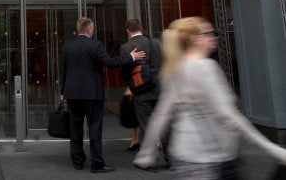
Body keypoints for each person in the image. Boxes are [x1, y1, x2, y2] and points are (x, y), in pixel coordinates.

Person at [134, 17, 286, 178]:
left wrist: (146, 152)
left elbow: (161, 115)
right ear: (196, 39)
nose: (215, 37)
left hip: (186, 157)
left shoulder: (175, 70)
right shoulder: (204, 68)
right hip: (211, 158)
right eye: (210, 33)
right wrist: (272, 149)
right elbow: (229, 115)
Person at [60, 17, 145, 173]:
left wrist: (63, 93)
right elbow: (111, 63)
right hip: (92, 94)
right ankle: (97, 164)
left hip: (72, 94)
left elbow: (64, 71)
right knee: (94, 129)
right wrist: (131, 57)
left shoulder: (67, 47)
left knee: (75, 129)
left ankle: (77, 161)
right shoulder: (95, 45)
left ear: (79, 29)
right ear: (89, 30)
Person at [119, 19, 162, 147]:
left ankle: (151, 156)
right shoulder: (155, 43)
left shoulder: (125, 47)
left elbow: (124, 72)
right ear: (141, 28)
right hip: (158, 88)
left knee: (145, 124)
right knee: (162, 123)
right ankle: (169, 156)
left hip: (140, 91)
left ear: (127, 30)